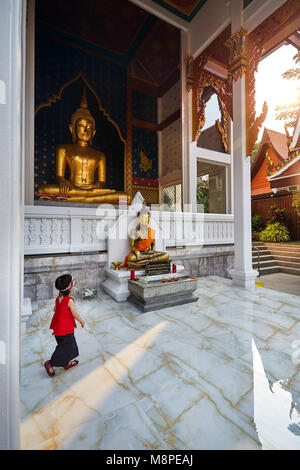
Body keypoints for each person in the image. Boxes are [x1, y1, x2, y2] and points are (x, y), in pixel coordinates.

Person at [44, 274, 85, 377]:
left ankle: (66, 363)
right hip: (65, 329)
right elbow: (74, 314)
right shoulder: (69, 301)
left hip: (58, 328)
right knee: (67, 348)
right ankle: (51, 363)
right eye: (73, 282)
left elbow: (55, 309)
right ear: (70, 286)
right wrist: (81, 321)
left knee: (66, 346)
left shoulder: (58, 298)